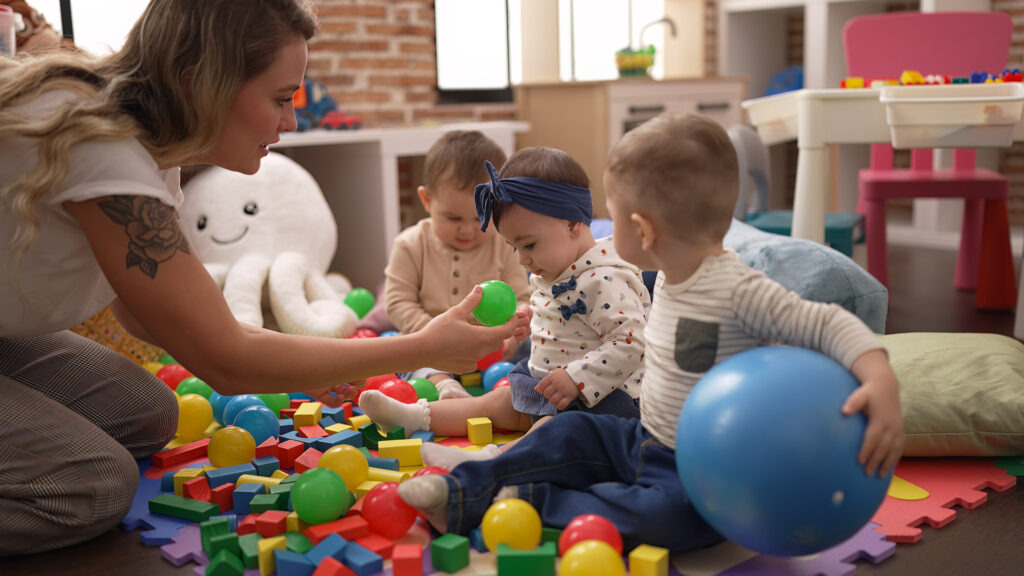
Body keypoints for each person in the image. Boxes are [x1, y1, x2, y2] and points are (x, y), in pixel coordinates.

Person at [0, 0, 526, 557]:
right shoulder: (103, 145)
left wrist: (300, 361)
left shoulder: (155, 151)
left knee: (150, 414)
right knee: (94, 485)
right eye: (280, 98)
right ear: (202, 84)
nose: (292, 121)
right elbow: (225, 359)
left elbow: (150, 314)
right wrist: (423, 348)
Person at [395, 113, 904, 553]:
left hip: (698, 466)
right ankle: (463, 488)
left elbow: (827, 321)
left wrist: (879, 378)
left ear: (643, 230)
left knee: (673, 520)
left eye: (609, 220)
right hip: (639, 435)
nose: (600, 232)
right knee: (566, 432)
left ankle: (526, 505)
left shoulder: (737, 288)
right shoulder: (666, 277)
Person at [358, 146, 649, 469]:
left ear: (572, 225)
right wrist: (527, 319)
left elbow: (631, 342)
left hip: (600, 401)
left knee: (554, 430)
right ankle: (414, 417)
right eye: (514, 247)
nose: (522, 259)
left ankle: (487, 463)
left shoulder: (605, 279)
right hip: (549, 387)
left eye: (528, 245)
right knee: (498, 400)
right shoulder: (557, 266)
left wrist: (576, 378)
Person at [379, 130, 532, 399]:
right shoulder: (410, 244)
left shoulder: (504, 244)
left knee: (536, 347)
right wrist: (433, 337)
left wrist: (514, 331)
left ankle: (517, 390)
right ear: (427, 200)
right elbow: (398, 303)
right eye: (452, 218)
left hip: (492, 347)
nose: (467, 230)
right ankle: (445, 387)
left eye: (479, 218)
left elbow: (522, 298)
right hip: (431, 345)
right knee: (403, 355)